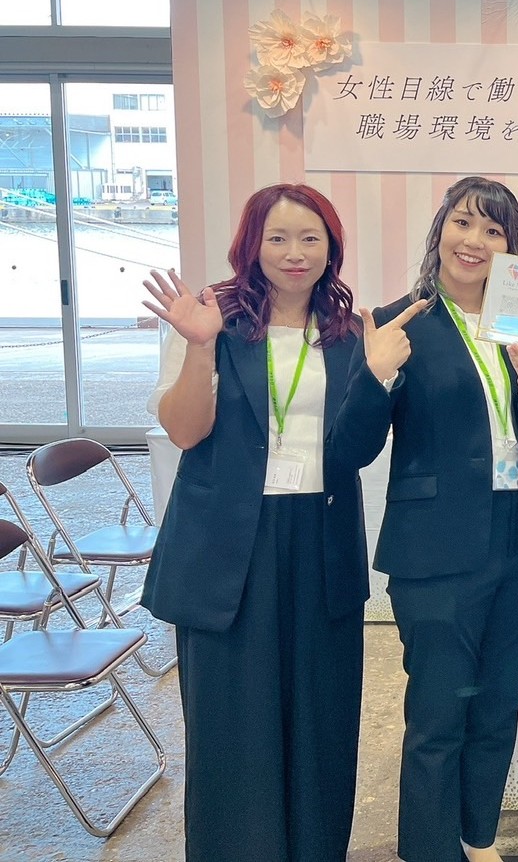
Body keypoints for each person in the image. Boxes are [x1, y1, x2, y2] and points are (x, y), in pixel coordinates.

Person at [331, 176, 518, 862]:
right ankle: (429, 849)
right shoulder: (398, 322)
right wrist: (376, 376)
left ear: (509, 248)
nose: (475, 241)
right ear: (439, 230)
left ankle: (478, 837)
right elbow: (351, 449)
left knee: (497, 706)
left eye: (494, 231)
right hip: (435, 547)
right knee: (438, 714)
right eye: (464, 223)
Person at [140, 183, 367, 862]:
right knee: (232, 721)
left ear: (330, 249)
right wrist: (200, 347)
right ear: (251, 245)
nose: (295, 253)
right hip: (227, 544)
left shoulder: (349, 333)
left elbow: (359, 438)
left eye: (310, 238)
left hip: (320, 539)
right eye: (278, 238)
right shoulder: (210, 318)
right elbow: (185, 432)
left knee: (320, 715)